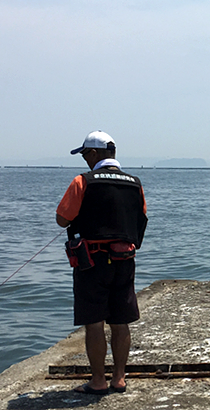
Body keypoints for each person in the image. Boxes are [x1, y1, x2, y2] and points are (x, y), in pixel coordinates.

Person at [56, 131, 147, 395]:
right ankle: (119, 378)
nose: (85, 159)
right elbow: (141, 216)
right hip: (125, 259)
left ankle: (98, 381)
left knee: (94, 322)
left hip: (91, 261)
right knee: (121, 321)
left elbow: (63, 218)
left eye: (85, 154)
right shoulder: (134, 183)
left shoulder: (82, 181)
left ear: (94, 154)